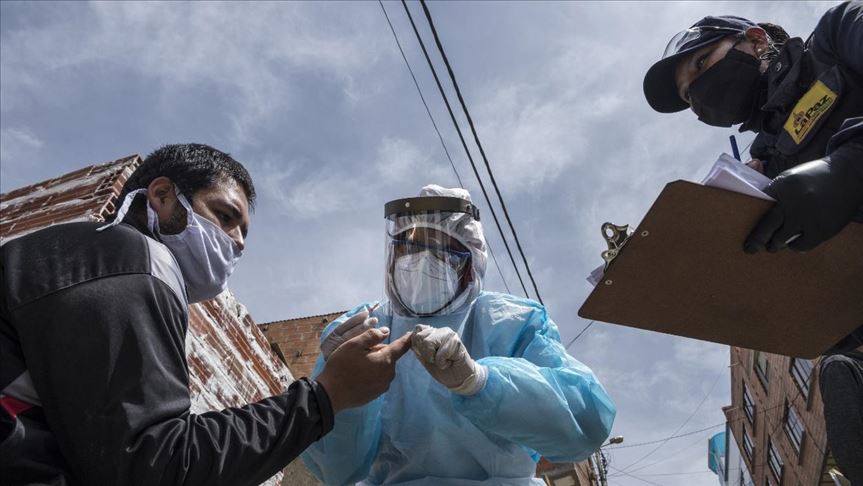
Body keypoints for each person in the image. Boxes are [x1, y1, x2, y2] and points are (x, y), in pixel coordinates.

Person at [0, 143, 413, 486]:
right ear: (161, 196)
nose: (237, 244)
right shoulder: (136, 260)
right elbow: (160, 466)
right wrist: (326, 395)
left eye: (243, 234)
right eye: (226, 217)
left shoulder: (71, 253)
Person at [643, 2, 862, 482]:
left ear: (757, 41)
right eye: (688, 98)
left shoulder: (838, 33)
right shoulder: (760, 168)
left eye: (701, 66)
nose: (699, 98)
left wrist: (852, 167)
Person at [301, 184, 616, 486]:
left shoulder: (509, 322)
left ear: (470, 267)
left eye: (438, 249)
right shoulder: (363, 328)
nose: (420, 258)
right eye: (407, 245)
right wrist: (340, 390)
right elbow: (335, 471)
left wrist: (480, 382)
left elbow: (585, 424)